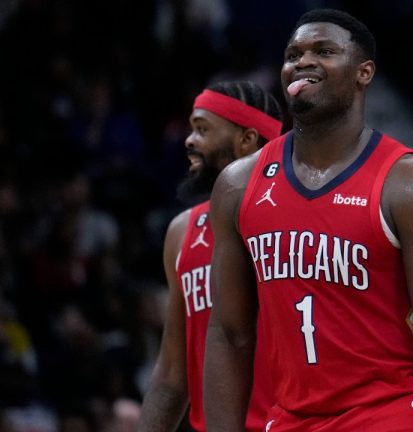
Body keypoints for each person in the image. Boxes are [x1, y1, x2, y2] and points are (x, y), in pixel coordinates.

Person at [203, 8, 413, 431]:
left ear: (363, 73)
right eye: (293, 54)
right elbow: (228, 334)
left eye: (324, 51)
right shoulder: (238, 185)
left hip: (391, 414)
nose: (302, 61)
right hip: (291, 419)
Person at [136, 81, 284, 432]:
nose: (189, 140)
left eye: (202, 129)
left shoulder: (294, 218)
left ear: (246, 140)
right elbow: (173, 375)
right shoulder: (181, 231)